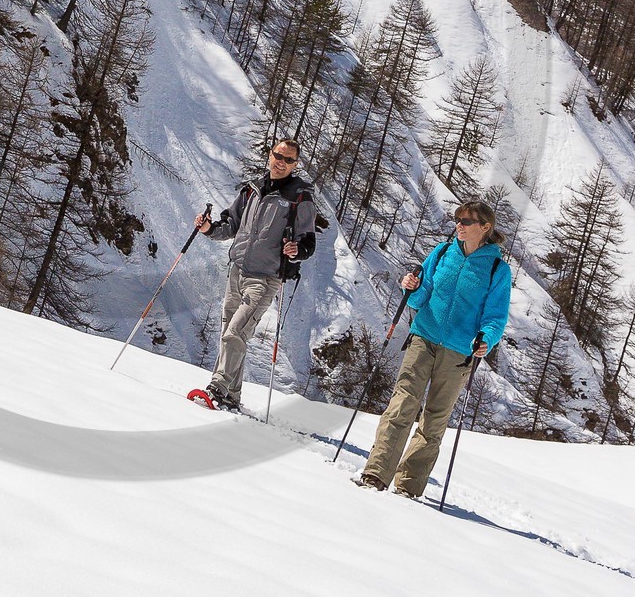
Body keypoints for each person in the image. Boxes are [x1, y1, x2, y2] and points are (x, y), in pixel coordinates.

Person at [355, 199, 511, 499]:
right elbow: (417, 299)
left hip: (459, 352)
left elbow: (495, 316)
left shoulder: (496, 270)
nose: (459, 225)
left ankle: (409, 487)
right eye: (458, 219)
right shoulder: (441, 253)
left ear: (485, 227)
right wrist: (410, 286)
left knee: (435, 420)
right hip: (423, 337)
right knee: (402, 405)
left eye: (467, 221)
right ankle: (376, 473)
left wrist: (485, 339)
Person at [192, 138, 317, 410]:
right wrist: (209, 229)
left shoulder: (299, 198)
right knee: (229, 332)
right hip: (237, 271)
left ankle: (216, 388)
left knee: (235, 333)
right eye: (277, 156)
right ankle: (231, 396)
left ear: (295, 165)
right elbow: (230, 224)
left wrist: (296, 249)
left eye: (287, 160)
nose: (280, 163)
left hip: (265, 278)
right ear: (270, 156)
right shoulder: (251, 190)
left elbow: (308, 242)